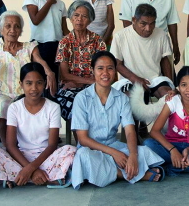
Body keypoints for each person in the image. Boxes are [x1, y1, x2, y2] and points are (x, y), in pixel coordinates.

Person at [71, 51, 165, 189]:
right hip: (91, 149)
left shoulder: (121, 98)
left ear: (115, 71)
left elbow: (129, 131)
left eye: (110, 68)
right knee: (83, 156)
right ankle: (129, 174)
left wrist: (132, 155)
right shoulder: (81, 98)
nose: (105, 73)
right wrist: (114, 153)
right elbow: (83, 139)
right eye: (100, 68)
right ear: (93, 71)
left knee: (143, 151)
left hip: (113, 144)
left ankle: (111, 170)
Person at [0, 62, 77, 188]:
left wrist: (30, 168)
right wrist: (30, 168)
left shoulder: (53, 107)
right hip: (21, 157)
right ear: (21, 84)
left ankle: (18, 178)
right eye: (29, 83)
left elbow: (52, 145)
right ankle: (46, 178)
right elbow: (10, 145)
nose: (34, 88)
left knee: (71, 150)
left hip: (46, 157)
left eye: (39, 83)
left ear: (44, 84)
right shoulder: (14, 108)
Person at [0, 11, 56, 145]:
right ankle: (9, 147)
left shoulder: (29, 47)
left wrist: (49, 72)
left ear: (21, 30)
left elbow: (39, 61)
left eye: (17, 26)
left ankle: (32, 144)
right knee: (3, 104)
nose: (12, 30)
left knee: (29, 103)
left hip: (25, 93)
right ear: (1, 29)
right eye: (8, 26)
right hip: (1, 94)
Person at [144, 66, 189, 176]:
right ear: (178, 87)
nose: (188, 89)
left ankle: (167, 168)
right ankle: (188, 166)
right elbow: (154, 131)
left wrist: (187, 150)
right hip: (170, 146)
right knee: (148, 144)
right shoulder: (173, 102)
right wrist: (173, 150)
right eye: (183, 85)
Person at [119, 0, 181, 64]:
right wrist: (136, 44)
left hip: (162, 44)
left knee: (166, 78)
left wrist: (175, 45)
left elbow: (171, 20)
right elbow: (126, 21)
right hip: (138, 44)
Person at [55, 0, 106, 121]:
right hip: (72, 86)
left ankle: (97, 137)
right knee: (74, 104)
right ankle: (81, 139)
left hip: (95, 85)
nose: (79, 19)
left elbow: (103, 68)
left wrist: (88, 83)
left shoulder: (97, 41)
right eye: (76, 15)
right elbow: (65, 74)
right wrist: (87, 81)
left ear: (90, 20)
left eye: (84, 16)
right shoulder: (65, 42)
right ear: (71, 18)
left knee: (98, 103)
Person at [111, 4, 174, 99]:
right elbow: (117, 63)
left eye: (152, 23)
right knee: (131, 99)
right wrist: (135, 79)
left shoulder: (161, 34)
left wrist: (170, 85)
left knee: (170, 98)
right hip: (130, 80)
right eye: (143, 24)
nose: (148, 29)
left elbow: (165, 60)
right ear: (134, 20)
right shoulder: (120, 36)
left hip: (155, 80)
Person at [22, 0, 69, 83]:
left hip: (57, 46)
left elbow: (64, 29)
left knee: (56, 80)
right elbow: (35, 20)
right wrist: (48, 2)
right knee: (41, 80)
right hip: (40, 46)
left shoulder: (61, 4)